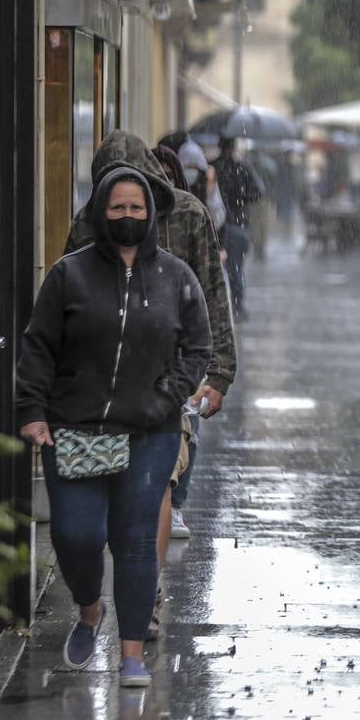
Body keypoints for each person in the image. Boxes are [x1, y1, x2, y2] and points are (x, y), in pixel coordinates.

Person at [16, 167, 211, 687]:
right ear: (101, 212)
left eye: (137, 208)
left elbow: (198, 347)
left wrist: (166, 397)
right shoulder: (68, 275)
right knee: (75, 534)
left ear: (151, 214)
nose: (128, 216)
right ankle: (88, 609)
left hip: (150, 432)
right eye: (118, 208)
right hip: (75, 427)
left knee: (136, 540)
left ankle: (131, 655)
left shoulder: (177, 277)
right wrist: (33, 412)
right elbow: (38, 347)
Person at [68, 132, 236, 549]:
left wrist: (220, 372)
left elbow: (214, 292)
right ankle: (130, 582)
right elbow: (65, 303)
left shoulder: (188, 214)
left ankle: (147, 587)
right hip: (106, 376)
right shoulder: (88, 222)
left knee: (156, 482)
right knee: (110, 491)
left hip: (171, 371)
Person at [211, 134, 265, 319]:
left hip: (214, 225)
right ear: (233, 147)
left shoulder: (211, 167)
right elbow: (259, 192)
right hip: (237, 223)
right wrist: (241, 199)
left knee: (213, 268)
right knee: (236, 268)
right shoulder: (241, 167)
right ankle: (237, 307)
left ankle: (218, 308)